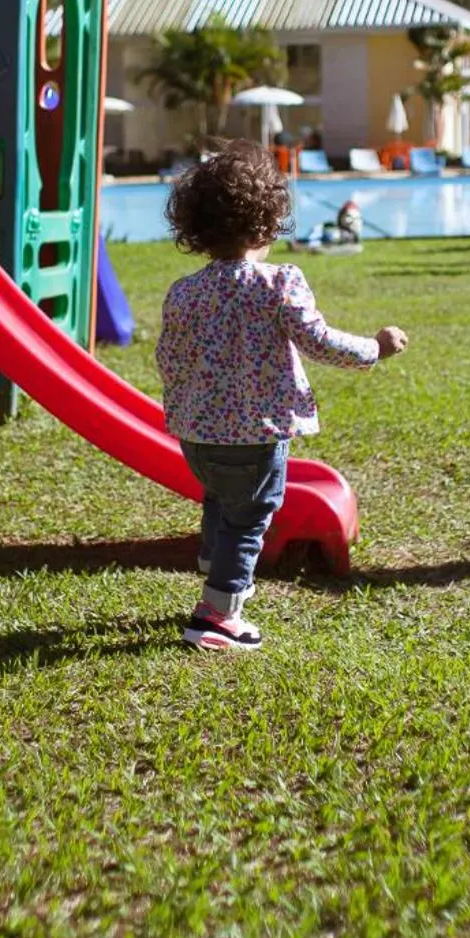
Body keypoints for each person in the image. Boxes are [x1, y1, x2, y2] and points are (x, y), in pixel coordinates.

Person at [155, 142, 409, 651]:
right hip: (257, 433)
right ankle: (216, 615)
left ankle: (216, 563)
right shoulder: (278, 283)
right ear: (267, 224)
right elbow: (318, 341)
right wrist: (374, 349)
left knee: (221, 501)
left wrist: (187, 405)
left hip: (197, 438)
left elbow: (169, 358)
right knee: (250, 518)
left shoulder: (184, 291)